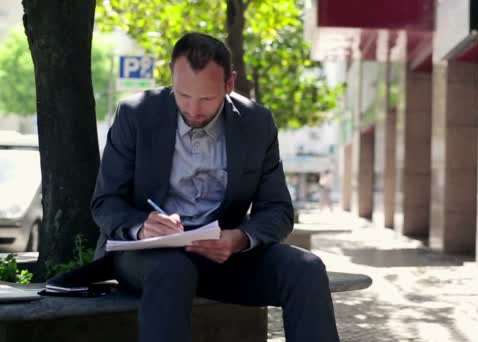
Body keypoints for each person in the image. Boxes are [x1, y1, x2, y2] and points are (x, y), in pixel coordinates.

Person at [90, 32, 339, 342]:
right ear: (171, 76)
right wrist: (142, 227)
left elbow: (278, 209)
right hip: (149, 258)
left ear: (229, 84)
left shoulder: (256, 123)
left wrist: (241, 238)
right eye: (183, 95)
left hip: (224, 255)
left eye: (207, 98)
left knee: (307, 269)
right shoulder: (136, 114)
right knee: (173, 271)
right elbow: (106, 203)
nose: (193, 109)